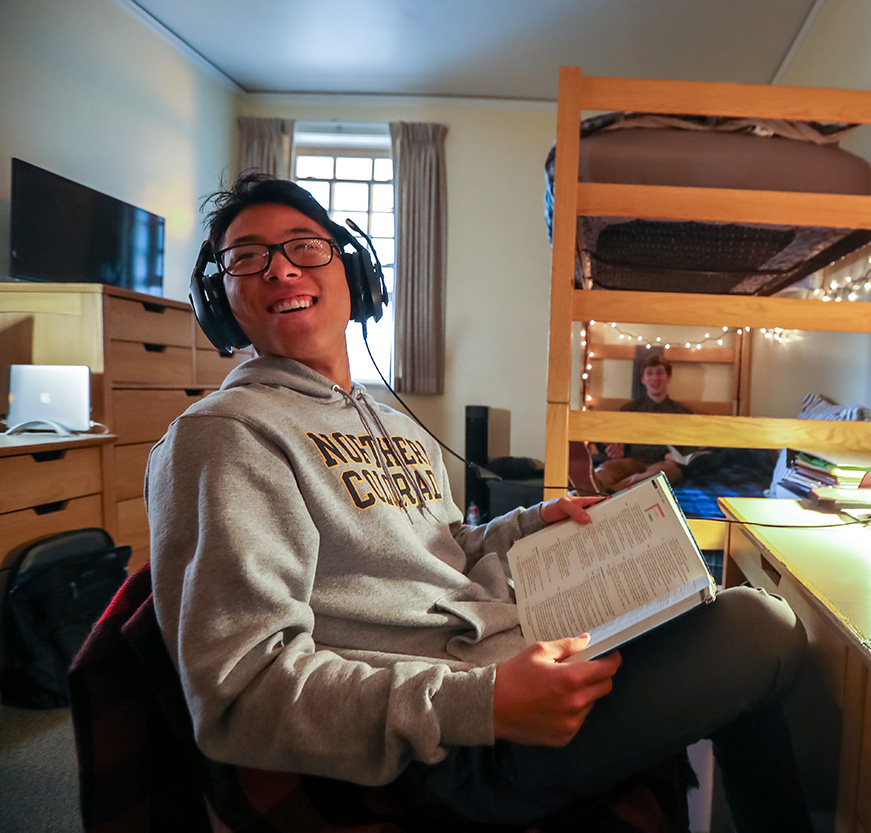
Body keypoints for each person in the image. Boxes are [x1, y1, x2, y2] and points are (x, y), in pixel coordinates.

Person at [145, 173, 818, 831]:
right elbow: (241, 694)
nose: (282, 270)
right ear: (220, 297)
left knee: (712, 617)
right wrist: (484, 705)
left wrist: (531, 521)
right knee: (762, 625)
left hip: (516, 649)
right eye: (247, 257)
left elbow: (445, 550)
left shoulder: (396, 422)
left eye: (304, 246)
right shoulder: (226, 436)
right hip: (455, 744)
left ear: (353, 273)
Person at [593, 353, 697, 493]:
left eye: (660, 372)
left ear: (668, 377)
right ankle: (584, 491)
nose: (655, 378)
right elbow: (608, 439)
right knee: (605, 469)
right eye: (649, 373)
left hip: (663, 463)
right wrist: (613, 448)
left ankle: (611, 493)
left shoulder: (683, 413)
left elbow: (692, 451)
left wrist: (678, 458)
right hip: (631, 460)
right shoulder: (628, 410)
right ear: (643, 379)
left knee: (665, 474)